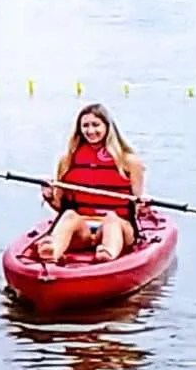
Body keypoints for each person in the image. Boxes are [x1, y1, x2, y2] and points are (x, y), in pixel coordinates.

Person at [34, 103, 146, 263]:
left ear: (107, 127)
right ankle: (52, 251)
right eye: (85, 126)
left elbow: (137, 208)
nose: (90, 131)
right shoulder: (67, 161)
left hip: (120, 228)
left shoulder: (129, 162)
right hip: (83, 229)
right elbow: (60, 207)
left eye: (96, 125)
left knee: (111, 219)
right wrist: (49, 197)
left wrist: (143, 205)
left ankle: (107, 253)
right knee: (69, 215)